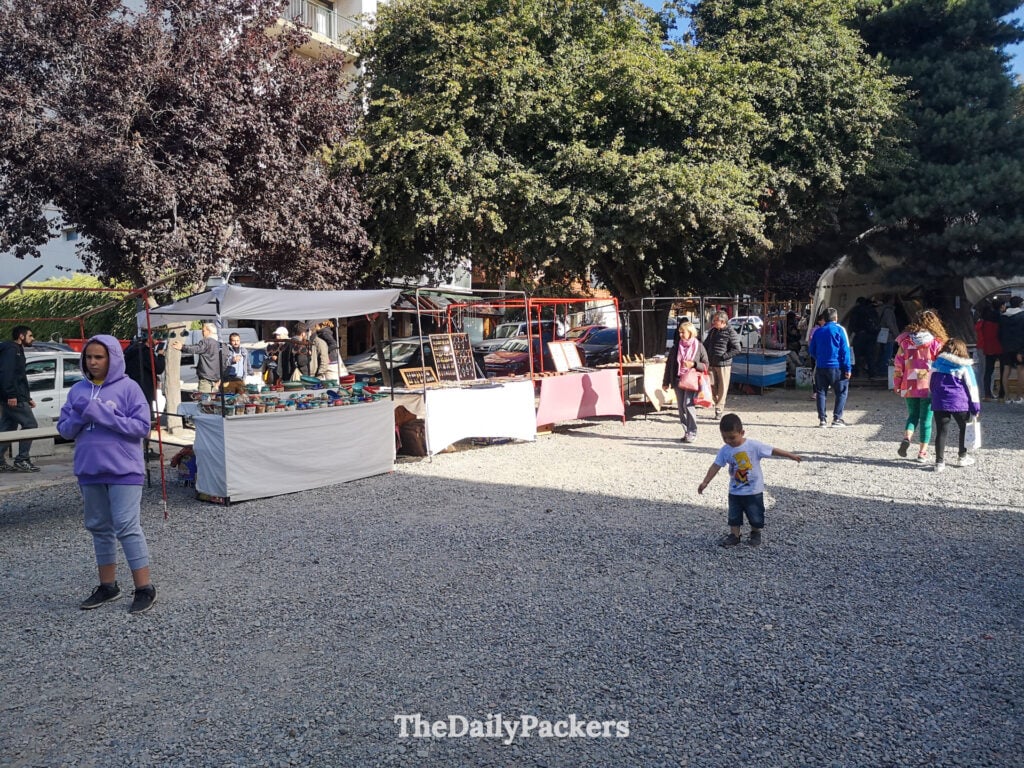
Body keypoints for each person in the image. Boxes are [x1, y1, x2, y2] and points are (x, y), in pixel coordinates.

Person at [56, 335, 157, 614]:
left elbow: (141, 427)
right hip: (89, 469)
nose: (93, 362)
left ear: (112, 357)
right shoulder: (77, 390)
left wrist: (99, 413)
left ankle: (144, 587)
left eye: (99, 357)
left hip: (124, 470)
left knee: (126, 525)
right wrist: (82, 415)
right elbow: (64, 430)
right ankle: (107, 585)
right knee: (99, 526)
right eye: (89, 357)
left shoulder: (129, 388)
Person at [697, 412, 802, 547]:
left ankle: (755, 532)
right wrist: (706, 481)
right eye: (724, 438)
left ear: (742, 432)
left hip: (753, 491)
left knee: (755, 514)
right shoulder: (725, 450)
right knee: (734, 515)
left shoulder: (753, 446)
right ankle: (734, 535)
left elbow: (771, 450)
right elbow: (716, 465)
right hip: (735, 491)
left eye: (732, 437)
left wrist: (789, 455)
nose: (728, 441)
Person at [893, 309, 947, 462]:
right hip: (928, 385)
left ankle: (907, 438)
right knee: (926, 420)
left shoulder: (905, 342)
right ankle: (922, 453)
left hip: (909, 383)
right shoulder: (936, 343)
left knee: (912, 415)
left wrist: (897, 383)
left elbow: (898, 365)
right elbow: (941, 366)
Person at [929, 337, 981, 473]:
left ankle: (939, 463)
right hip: (960, 402)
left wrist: (934, 395)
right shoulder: (964, 366)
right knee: (964, 428)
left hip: (940, 401)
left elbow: (931, 383)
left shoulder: (936, 364)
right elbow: (972, 387)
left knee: (941, 431)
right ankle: (962, 457)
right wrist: (975, 406)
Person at [0, 325, 41, 472]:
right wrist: (11, 394)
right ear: (21, 336)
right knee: (30, 425)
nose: (33, 338)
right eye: (30, 335)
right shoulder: (11, 350)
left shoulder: (17, 350)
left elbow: (20, 377)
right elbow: (7, 373)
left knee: (7, 429)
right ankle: (22, 459)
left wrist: (27, 397)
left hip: (17, 396)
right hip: (13, 397)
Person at [662, 321, 709, 443]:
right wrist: (665, 381)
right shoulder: (676, 347)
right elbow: (669, 365)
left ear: (690, 332)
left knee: (687, 405)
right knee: (681, 408)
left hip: (691, 380)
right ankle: (687, 431)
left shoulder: (699, 346)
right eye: (680, 332)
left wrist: (693, 364)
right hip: (678, 380)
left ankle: (692, 432)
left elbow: (706, 365)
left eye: (683, 332)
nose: (681, 334)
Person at [123, 333, 166, 459]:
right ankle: (145, 449)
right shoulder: (146, 352)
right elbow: (158, 368)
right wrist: (161, 356)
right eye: (155, 338)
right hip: (144, 389)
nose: (157, 341)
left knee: (131, 418)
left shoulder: (129, 350)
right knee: (146, 419)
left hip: (130, 389)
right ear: (149, 339)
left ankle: (132, 448)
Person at [807, 307, 852, 428]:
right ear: (836, 318)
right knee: (841, 392)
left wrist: (820, 358)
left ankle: (822, 420)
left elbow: (811, 350)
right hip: (837, 367)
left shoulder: (817, 331)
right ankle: (837, 419)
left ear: (824, 319)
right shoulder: (840, 330)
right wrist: (848, 368)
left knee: (821, 392)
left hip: (821, 366)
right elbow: (845, 350)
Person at [702, 311, 742, 419]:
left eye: (715, 320)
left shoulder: (730, 332)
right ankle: (715, 403)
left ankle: (719, 409)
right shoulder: (713, 331)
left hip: (724, 365)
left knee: (722, 388)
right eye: (713, 320)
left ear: (722, 321)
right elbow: (705, 345)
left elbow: (737, 349)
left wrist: (724, 356)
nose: (713, 322)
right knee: (712, 386)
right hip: (711, 363)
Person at [172, 322, 222, 393]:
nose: (202, 333)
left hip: (206, 379)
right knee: (214, 402)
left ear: (209, 331)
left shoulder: (206, 341)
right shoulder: (219, 344)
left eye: (203, 331)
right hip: (216, 379)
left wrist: (182, 347)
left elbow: (197, 348)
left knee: (204, 402)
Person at [973, 300, 1003, 400]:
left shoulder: (982, 323)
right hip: (993, 347)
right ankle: (990, 392)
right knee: (989, 371)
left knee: (985, 371)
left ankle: (985, 393)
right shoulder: (997, 321)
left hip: (983, 347)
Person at [998, 296, 1024, 404]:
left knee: (1006, 371)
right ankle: (1019, 397)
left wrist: (1004, 345)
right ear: (1020, 304)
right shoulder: (1022, 316)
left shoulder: (1003, 317)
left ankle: (1007, 397)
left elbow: (999, 334)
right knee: (1021, 371)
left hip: (1006, 347)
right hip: (1019, 348)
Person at [848, 296, 880, 378]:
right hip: (871, 336)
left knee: (856, 355)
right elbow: (877, 323)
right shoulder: (872, 310)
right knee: (870, 355)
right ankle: (872, 373)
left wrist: (851, 333)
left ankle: (856, 373)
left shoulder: (856, 310)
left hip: (860, 335)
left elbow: (852, 324)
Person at [876, 295, 901, 373]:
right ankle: (884, 371)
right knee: (888, 353)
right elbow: (890, 324)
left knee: (882, 353)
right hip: (888, 336)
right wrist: (897, 335)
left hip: (882, 335)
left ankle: (880, 369)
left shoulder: (880, 309)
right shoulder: (888, 311)